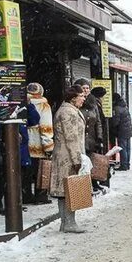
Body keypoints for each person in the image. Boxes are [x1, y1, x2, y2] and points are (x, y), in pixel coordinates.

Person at [50, 86, 87, 233]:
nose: (84, 99)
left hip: (66, 154)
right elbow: (71, 138)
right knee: (70, 189)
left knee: (66, 189)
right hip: (67, 156)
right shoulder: (68, 112)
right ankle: (69, 222)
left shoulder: (69, 110)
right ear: (73, 97)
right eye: (81, 96)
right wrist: (77, 159)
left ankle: (66, 222)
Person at [25, 83, 53, 204]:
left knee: (27, 173)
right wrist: (48, 145)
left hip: (26, 144)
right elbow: (46, 127)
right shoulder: (43, 105)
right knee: (42, 172)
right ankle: (40, 196)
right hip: (38, 144)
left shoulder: (24, 103)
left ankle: (26, 195)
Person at [74, 79, 104, 194]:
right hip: (80, 138)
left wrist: (99, 137)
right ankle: (83, 187)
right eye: (83, 88)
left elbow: (98, 121)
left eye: (87, 88)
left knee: (91, 161)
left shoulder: (93, 103)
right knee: (81, 162)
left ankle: (93, 183)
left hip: (91, 138)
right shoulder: (75, 102)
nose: (86, 90)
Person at [110, 93, 132, 171]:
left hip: (122, 131)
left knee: (122, 148)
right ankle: (127, 164)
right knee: (127, 148)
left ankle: (124, 165)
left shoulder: (117, 108)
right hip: (128, 130)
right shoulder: (124, 106)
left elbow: (115, 122)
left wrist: (111, 125)